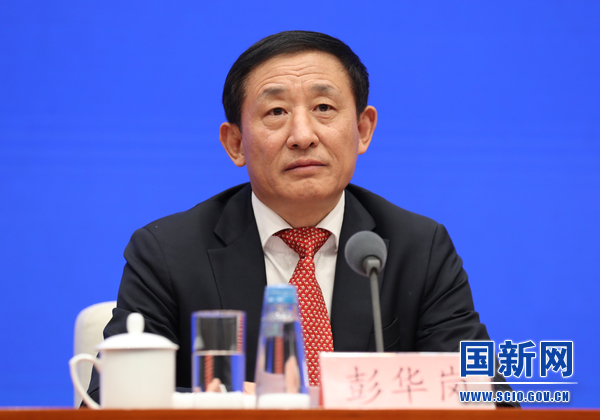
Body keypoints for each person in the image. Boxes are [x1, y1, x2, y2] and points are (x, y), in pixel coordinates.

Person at [88, 30, 515, 406]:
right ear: (235, 143)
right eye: (276, 112)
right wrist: (229, 404)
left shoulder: (418, 248)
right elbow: (109, 399)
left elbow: (486, 396)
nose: (303, 135)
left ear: (363, 129)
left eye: (324, 107)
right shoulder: (168, 252)